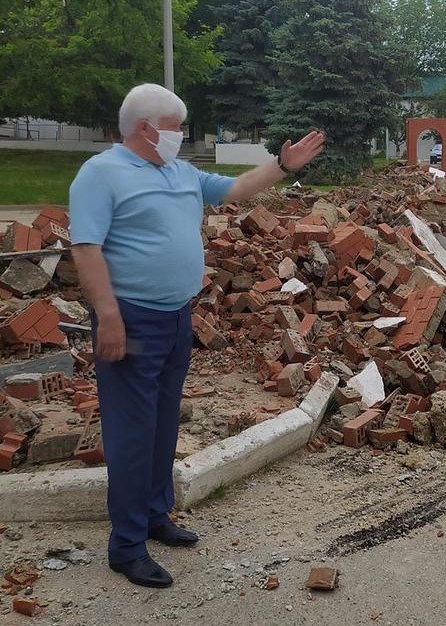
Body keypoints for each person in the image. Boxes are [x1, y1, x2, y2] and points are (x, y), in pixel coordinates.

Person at [69, 83, 325, 588]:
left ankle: (155, 514)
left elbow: (234, 189)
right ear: (145, 128)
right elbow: (86, 249)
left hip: (176, 317)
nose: (180, 135)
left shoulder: (179, 172)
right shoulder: (102, 174)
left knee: (163, 423)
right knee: (132, 431)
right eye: (175, 126)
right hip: (131, 320)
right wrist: (109, 315)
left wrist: (284, 164)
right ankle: (125, 544)